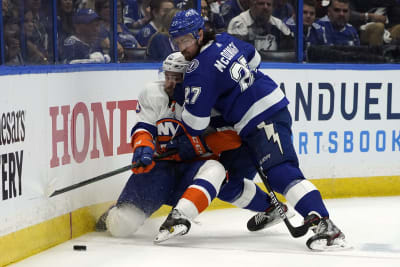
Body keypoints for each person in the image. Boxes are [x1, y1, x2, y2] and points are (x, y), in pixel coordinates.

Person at [167, 8, 351, 251]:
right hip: (249, 122)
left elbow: (196, 124)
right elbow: (255, 59)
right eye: (177, 41)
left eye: (186, 40)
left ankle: (326, 226)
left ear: (200, 34)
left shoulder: (197, 71)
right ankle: (271, 208)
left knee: (280, 171)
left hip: (264, 117)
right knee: (226, 179)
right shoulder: (224, 39)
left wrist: (180, 95)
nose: (182, 47)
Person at [96, 52, 293, 243]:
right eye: (168, 76)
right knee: (120, 227)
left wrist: (195, 145)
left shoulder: (209, 99)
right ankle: (115, 213)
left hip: (195, 166)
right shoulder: (152, 93)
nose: (170, 83)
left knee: (218, 173)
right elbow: (143, 128)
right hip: (160, 168)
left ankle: (180, 217)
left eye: (177, 78)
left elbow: (234, 136)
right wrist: (143, 148)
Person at [227, 0, 294, 51]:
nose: (265, 7)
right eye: (261, 4)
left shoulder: (278, 24)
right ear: (252, 5)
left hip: (274, 65)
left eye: (269, 4)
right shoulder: (238, 22)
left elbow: (290, 47)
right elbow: (238, 51)